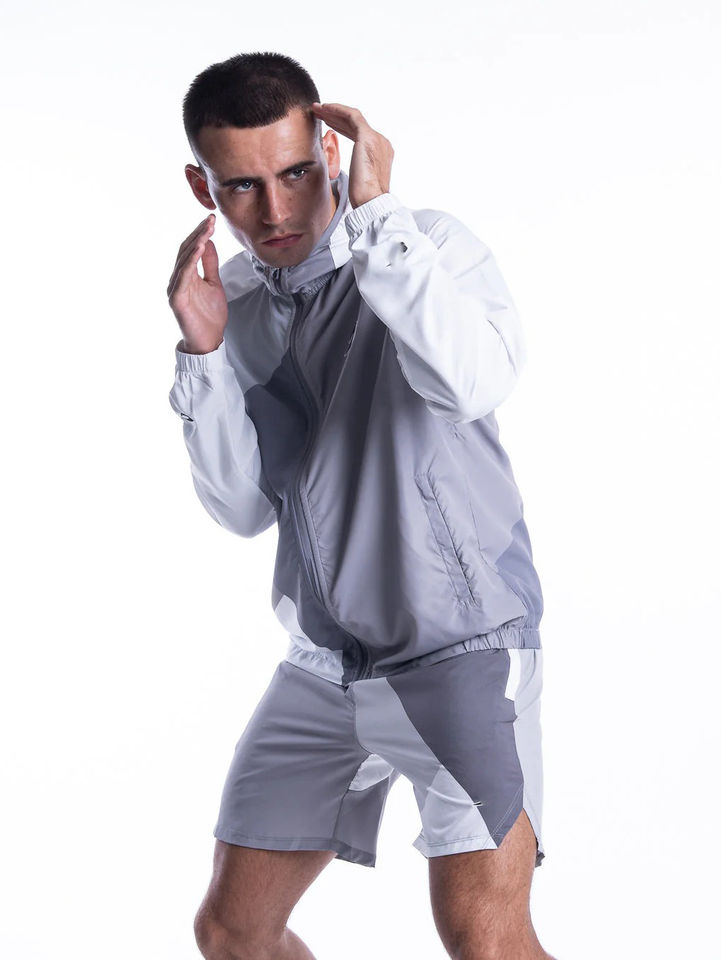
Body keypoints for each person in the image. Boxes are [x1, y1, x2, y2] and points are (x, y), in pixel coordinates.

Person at [167, 51, 556, 960]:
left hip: (459, 648)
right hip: (324, 664)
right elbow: (241, 508)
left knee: (485, 938)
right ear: (202, 186)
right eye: (242, 186)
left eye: (296, 173)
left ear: (333, 155)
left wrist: (380, 220)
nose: (276, 211)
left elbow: (473, 381)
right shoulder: (235, 305)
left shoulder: (423, 246)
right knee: (234, 932)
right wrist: (204, 356)